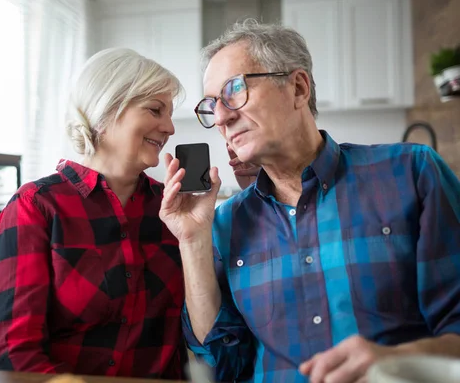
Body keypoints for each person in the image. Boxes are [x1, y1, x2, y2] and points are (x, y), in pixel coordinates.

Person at [159, 19, 460, 383]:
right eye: (211, 105)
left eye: (234, 90)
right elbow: (222, 364)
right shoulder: (225, 223)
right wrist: (191, 242)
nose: (221, 117)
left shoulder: (411, 174)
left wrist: (392, 360)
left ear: (298, 88)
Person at [0, 48, 189, 379]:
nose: (170, 128)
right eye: (155, 110)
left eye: (170, 113)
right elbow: (12, 352)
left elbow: (198, 334)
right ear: (106, 110)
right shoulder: (36, 206)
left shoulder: (172, 209)